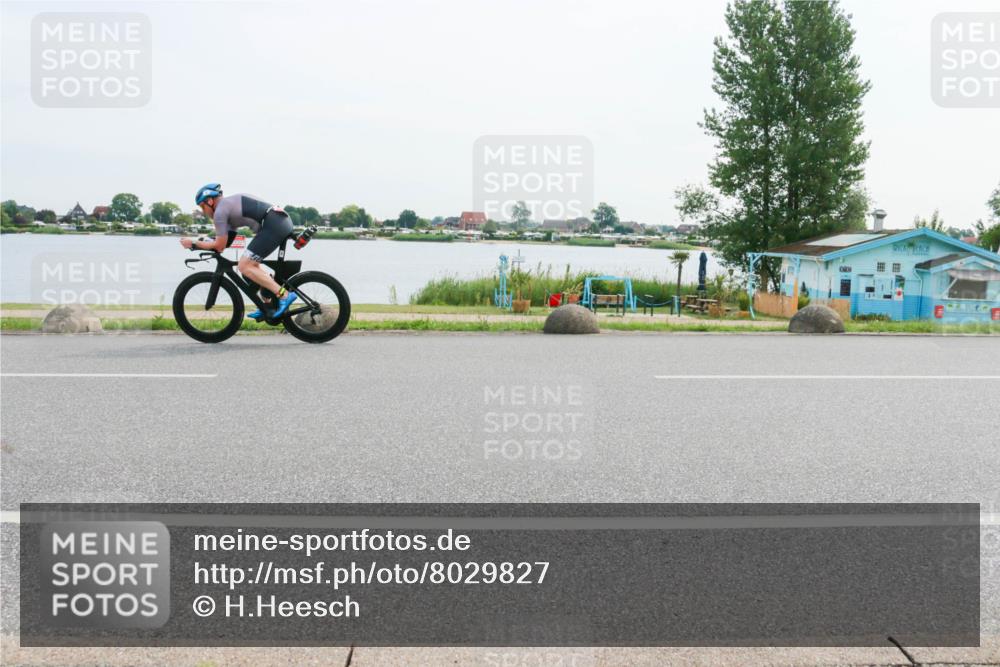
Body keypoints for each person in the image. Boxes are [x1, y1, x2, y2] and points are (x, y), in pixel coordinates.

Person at [181, 183, 297, 320]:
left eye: (202, 206)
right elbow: (225, 242)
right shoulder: (227, 208)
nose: (203, 211)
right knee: (250, 271)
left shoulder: (220, 211)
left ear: (210, 201)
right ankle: (268, 306)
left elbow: (219, 246)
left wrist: (193, 243)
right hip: (277, 221)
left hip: (274, 224)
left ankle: (284, 294)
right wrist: (203, 242)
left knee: (244, 266)